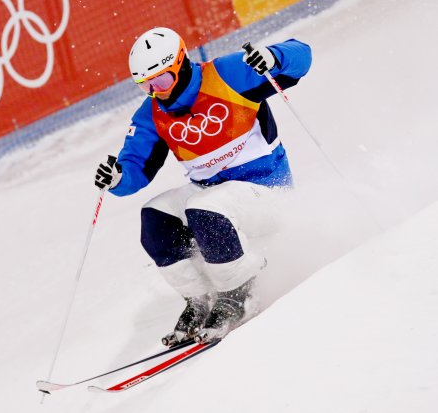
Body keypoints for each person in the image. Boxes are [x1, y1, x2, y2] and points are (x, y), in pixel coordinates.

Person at [95, 27, 312, 344]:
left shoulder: (226, 75)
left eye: (162, 81)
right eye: (146, 86)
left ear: (180, 63)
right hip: (213, 195)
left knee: (205, 207)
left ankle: (239, 293)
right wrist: (118, 178)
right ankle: (201, 299)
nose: (158, 92)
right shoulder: (152, 114)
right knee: (156, 217)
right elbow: (135, 169)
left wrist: (273, 56)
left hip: (267, 193)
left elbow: (302, 55)